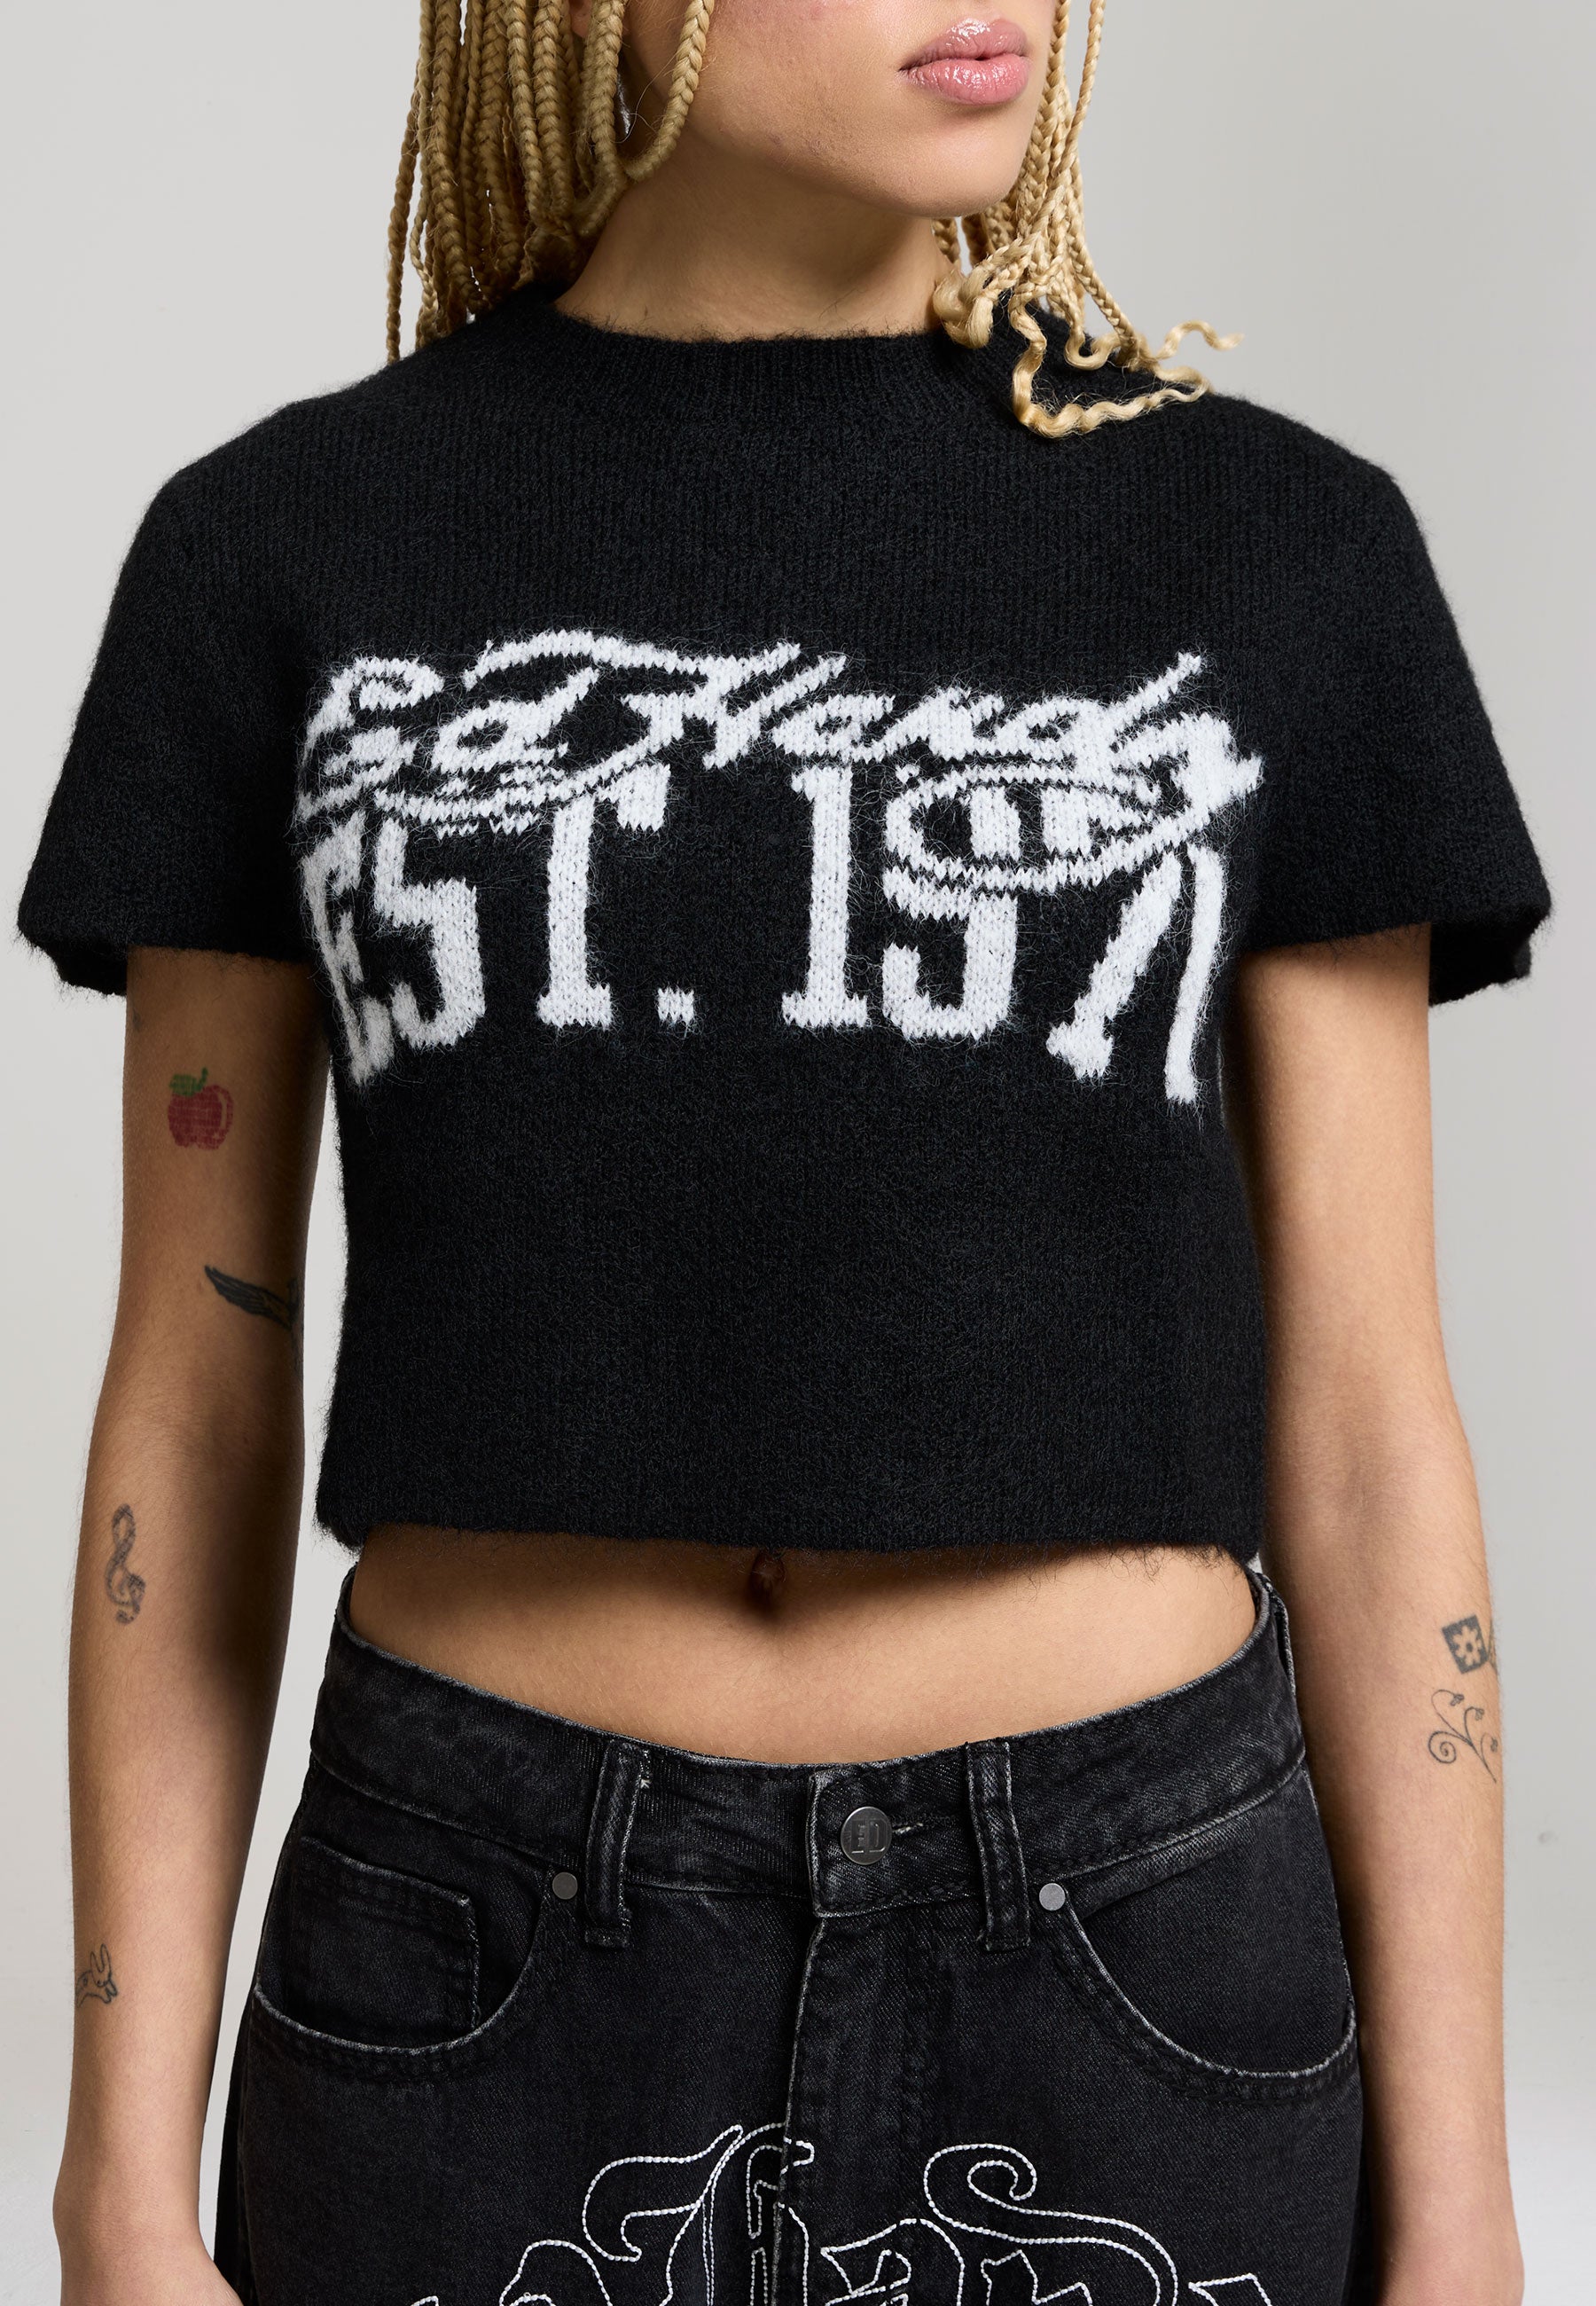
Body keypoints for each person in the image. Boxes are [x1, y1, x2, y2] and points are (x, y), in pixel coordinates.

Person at [20, 4, 1553, 2302]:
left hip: (1133, 1945)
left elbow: (1365, 1419)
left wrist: (1464, 2215)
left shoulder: (1274, 545)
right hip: (479, 1942)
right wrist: (118, 2183)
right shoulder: (285, 549)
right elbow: (195, 1397)